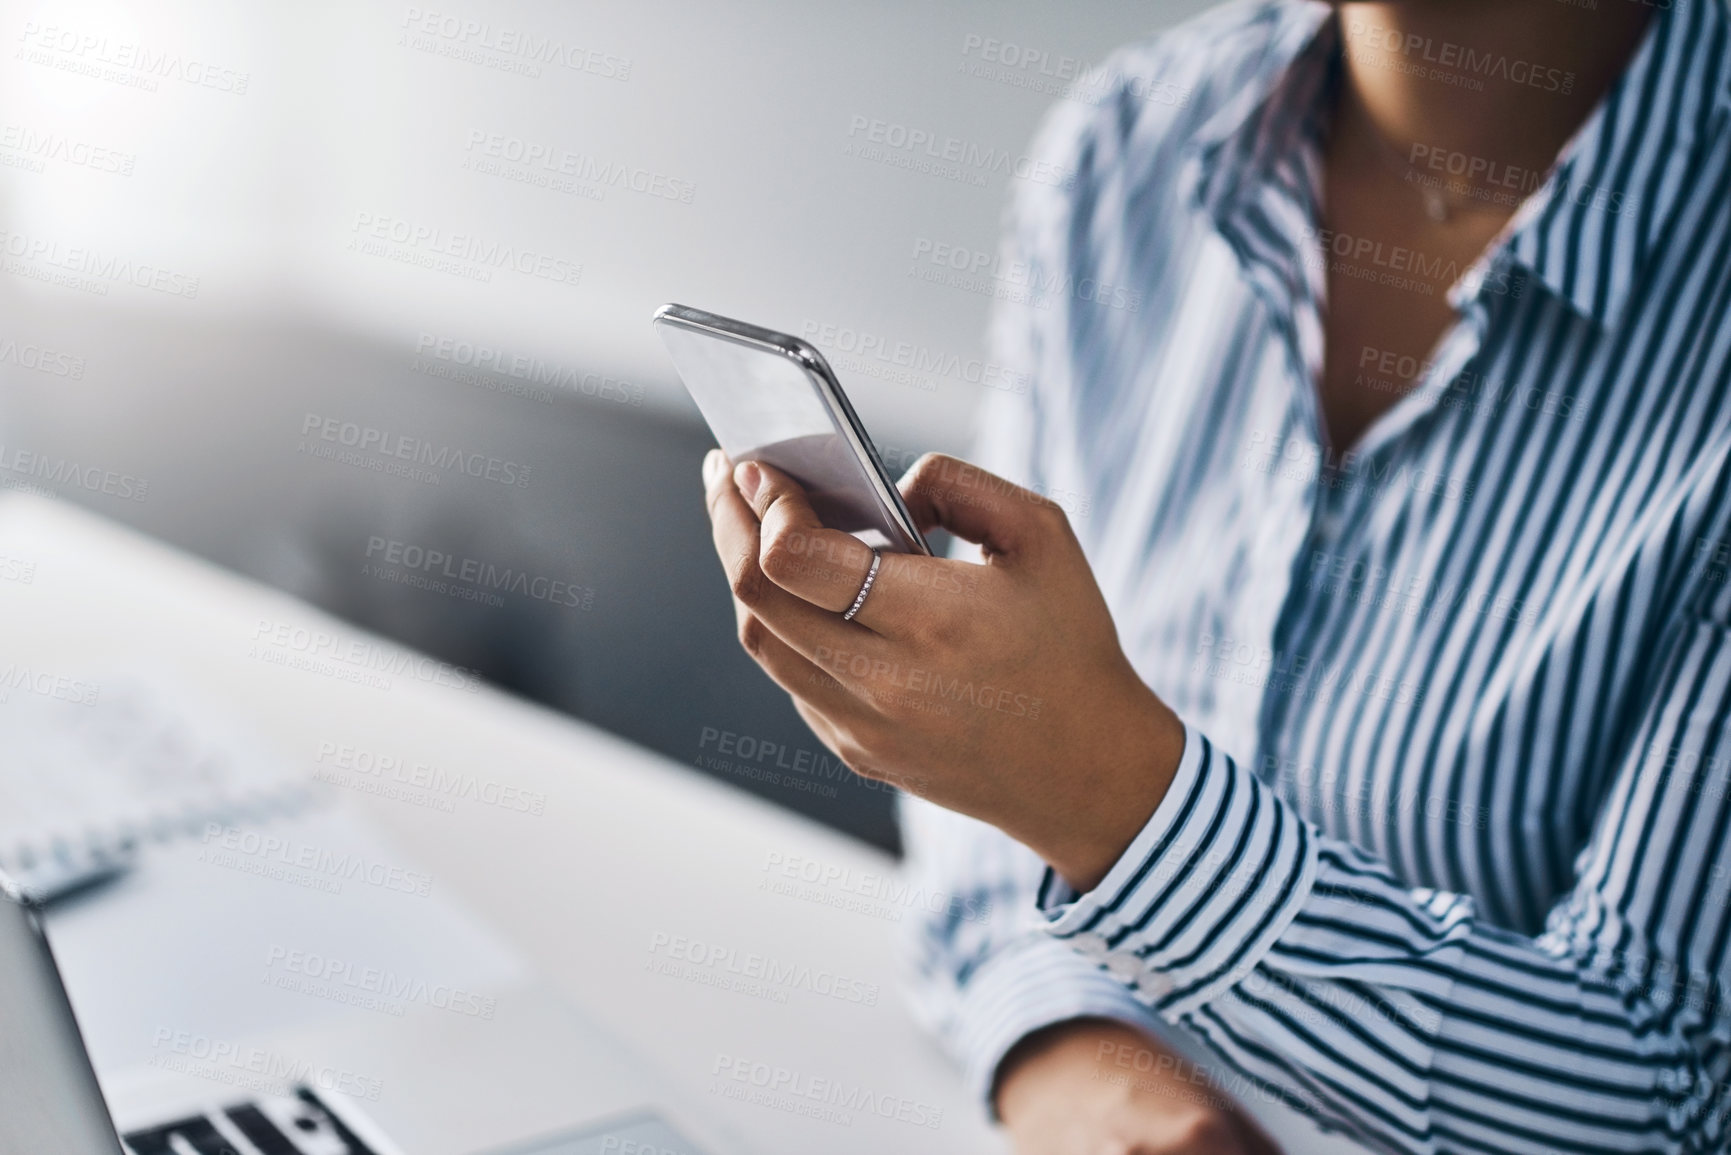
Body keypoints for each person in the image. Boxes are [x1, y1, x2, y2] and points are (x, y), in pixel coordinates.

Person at [701, 0, 1731, 1150]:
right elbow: (986, 831)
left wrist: (1112, 796)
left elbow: (1675, 1089)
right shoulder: (1122, 152)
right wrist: (1086, 1066)